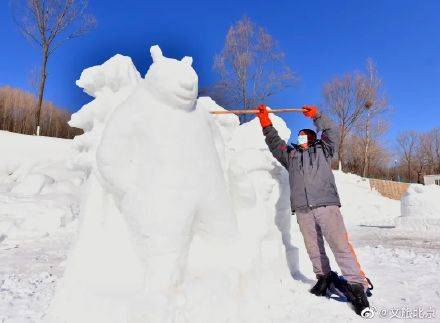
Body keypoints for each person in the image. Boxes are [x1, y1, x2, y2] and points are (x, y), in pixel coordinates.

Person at [256, 104, 370, 315]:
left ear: (312, 138)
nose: (301, 138)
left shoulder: (323, 150)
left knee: (339, 245)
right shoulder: (290, 156)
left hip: (326, 204)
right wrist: (265, 123)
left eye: (304, 135)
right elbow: (275, 145)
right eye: (299, 136)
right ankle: (324, 277)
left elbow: (332, 131)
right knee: (313, 248)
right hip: (302, 209)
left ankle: (356, 284)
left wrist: (317, 116)